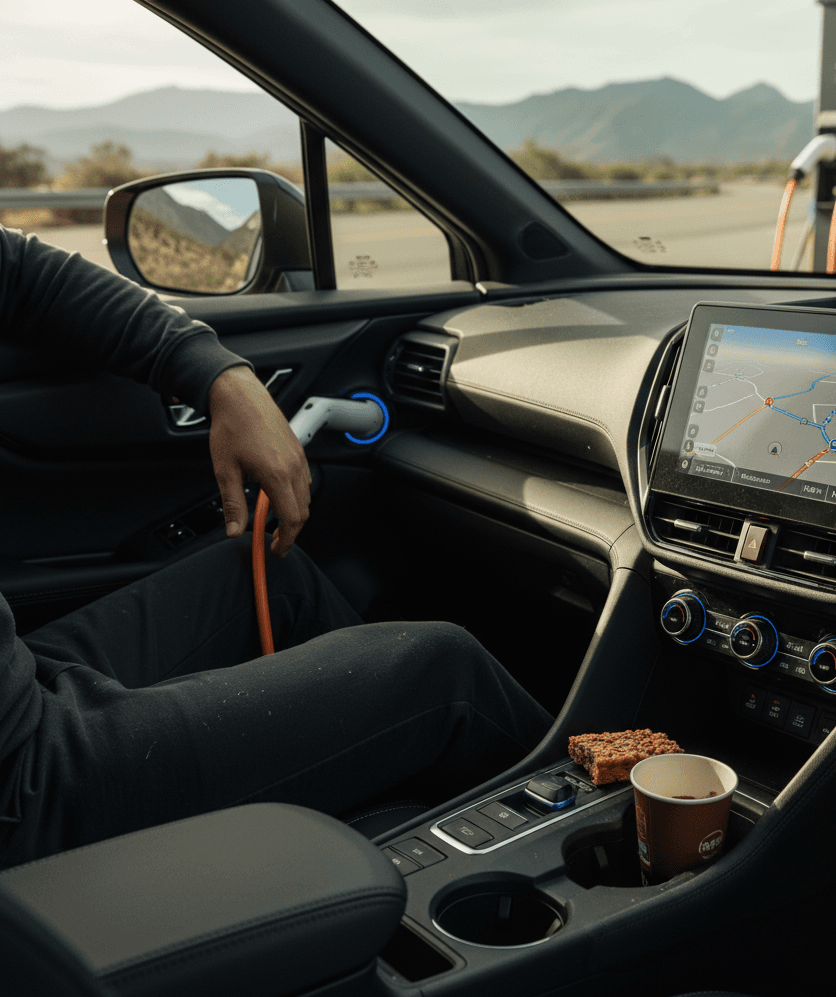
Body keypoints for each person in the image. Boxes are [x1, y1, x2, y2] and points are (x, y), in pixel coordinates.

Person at [0, 224, 552, 869]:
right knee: (443, 673)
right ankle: (642, 869)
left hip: (20, 686)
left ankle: (400, 843)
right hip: (24, 780)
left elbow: (23, 275)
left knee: (268, 570)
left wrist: (221, 378)